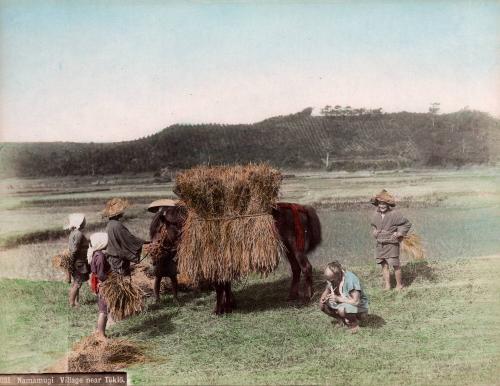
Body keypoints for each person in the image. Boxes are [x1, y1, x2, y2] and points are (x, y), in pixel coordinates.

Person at [370, 189, 412, 290]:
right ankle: (387, 286)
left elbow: (407, 224)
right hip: (380, 244)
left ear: (388, 204)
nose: (382, 206)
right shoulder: (375, 214)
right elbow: (374, 226)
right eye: (380, 203)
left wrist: (399, 233)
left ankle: (399, 285)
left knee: (395, 265)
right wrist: (374, 231)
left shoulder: (395, 214)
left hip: (392, 244)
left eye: (384, 204)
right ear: (377, 204)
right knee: (384, 265)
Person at [147, 199, 185, 303]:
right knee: (158, 277)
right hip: (160, 254)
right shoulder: (155, 226)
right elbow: (154, 238)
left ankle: (175, 297)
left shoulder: (170, 224)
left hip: (169, 253)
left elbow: (175, 236)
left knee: (173, 276)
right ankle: (157, 297)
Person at [103, 198, 148, 276]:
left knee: (116, 278)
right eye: (122, 211)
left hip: (112, 257)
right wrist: (143, 242)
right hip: (118, 259)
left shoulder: (110, 224)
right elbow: (129, 239)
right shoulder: (117, 225)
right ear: (118, 213)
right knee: (122, 278)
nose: (123, 212)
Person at [319, 261, 369, 333]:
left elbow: (356, 301)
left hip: (359, 306)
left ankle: (354, 324)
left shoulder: (351, 280)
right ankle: (341, 320)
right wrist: (323, 298)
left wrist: (338, 298)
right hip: (344, 301)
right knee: (322, 305)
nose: (329, 282)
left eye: (331, 280)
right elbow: (327, 290)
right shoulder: (333, 279)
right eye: (328, 280)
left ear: (339, 275)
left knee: (342, 309)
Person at [88, 232, 111, 338]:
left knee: (103, 308)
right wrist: (108, 280)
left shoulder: (95, 254)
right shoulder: (101, 256)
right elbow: (101, 274)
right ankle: (101, 334)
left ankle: (99, 331)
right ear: (101, 243)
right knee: (104, 310)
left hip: (97, 283)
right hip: (102, 284)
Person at [65, 213, 90, 307]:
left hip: (76, 261)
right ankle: (72, 303)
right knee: (77, 283)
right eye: (83, 221)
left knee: (76, 282)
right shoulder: (79, 234)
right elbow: (75, 249)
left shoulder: (73, 233)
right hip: (79, 262)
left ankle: (76, 302)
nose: (85, 223)